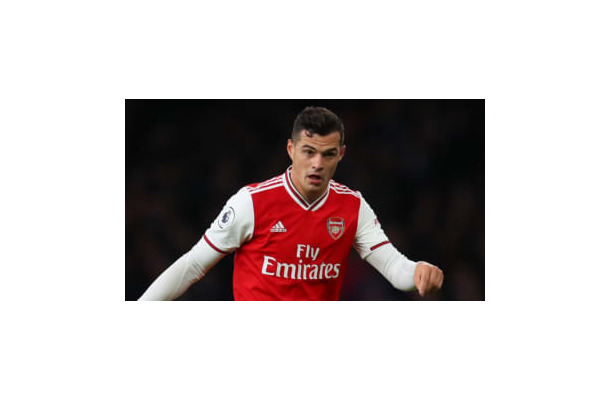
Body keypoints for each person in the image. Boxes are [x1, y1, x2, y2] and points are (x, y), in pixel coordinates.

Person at [138, 106, 443, 300]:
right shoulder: (252, 203)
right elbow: (192, 264)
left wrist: (418, 270)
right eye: (308, 152)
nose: (317, 164)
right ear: (291, 149)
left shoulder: (352, 206)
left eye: (328, 154)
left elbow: (393, 266)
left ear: (341, 154)